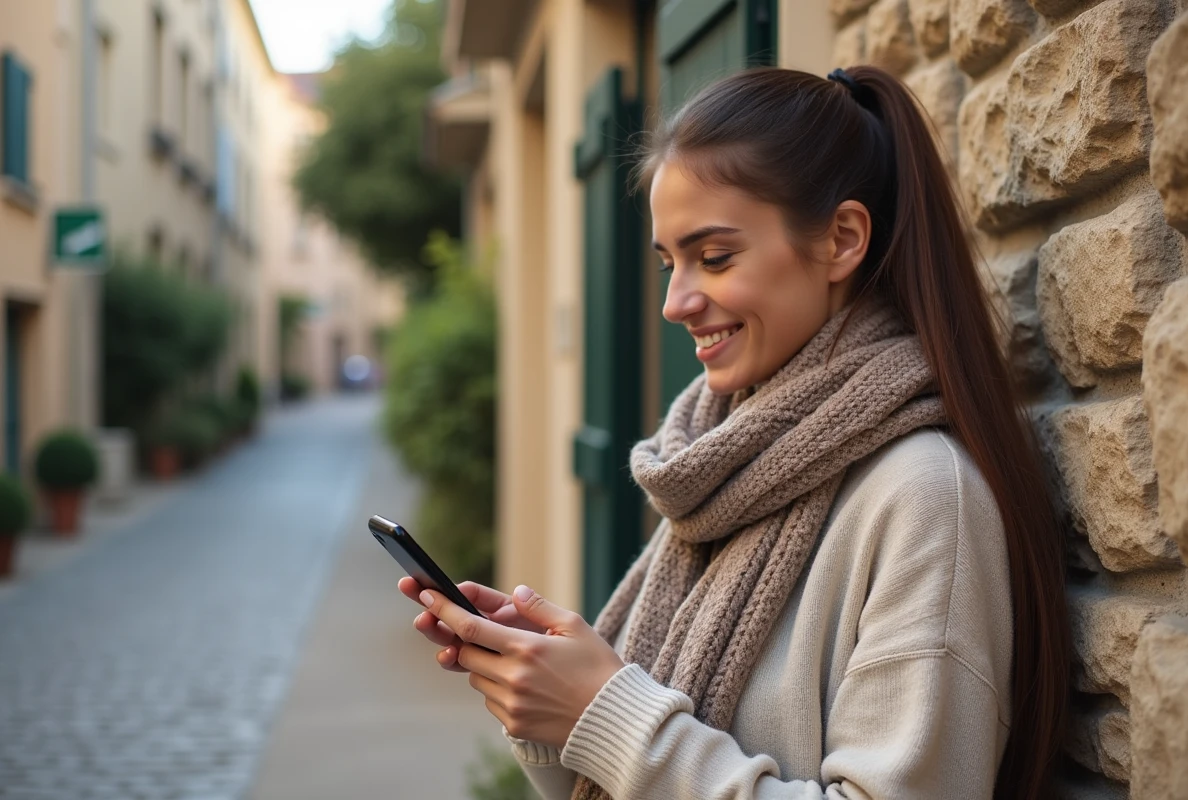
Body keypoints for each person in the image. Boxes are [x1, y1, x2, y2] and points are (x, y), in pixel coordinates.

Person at [398, 65, 1069, 799]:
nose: (676, 302)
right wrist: (548, 704)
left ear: (842, 239)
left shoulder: (926, 498)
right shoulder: (724, 464)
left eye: (713, 257)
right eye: (668, 262)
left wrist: (610, 713)